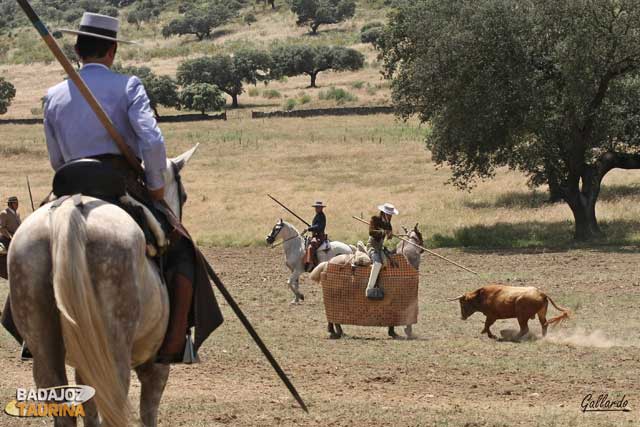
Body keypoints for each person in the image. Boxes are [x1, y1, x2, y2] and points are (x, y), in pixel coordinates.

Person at [40, 12, 216, 364]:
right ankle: (175, 341)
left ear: (77, 49)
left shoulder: (52, 95)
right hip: (119, 185)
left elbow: (56, 158)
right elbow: (151, 140)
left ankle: (33, 334)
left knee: (35, 246)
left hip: (68, 187)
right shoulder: (129, 86)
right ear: (113, 51)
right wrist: (153, 186)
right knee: (182, 248)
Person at [365, 203, 398, 299]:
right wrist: (383, 232)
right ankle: (369, 289)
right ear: (384, 213)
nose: (390, 216)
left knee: (388, 262)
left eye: (391, 214)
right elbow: (371, 232)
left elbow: (389, 237)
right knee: (378, 263)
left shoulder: (388, 224)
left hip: (380, 248)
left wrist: (390, 235)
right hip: (372, 246)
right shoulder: (374, 219)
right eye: (389, 214)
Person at [304, 201, 327, 272]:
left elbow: (319, 226)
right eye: (316, 207)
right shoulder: (317, 215)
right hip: (315, 236)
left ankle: (311, 263)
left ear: (321, 208)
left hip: (319, 236)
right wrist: (311, 227)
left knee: (311, 247)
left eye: (318, 207)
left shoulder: (322, 216)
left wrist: (310, 228)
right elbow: (315, 225)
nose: (316, 209)